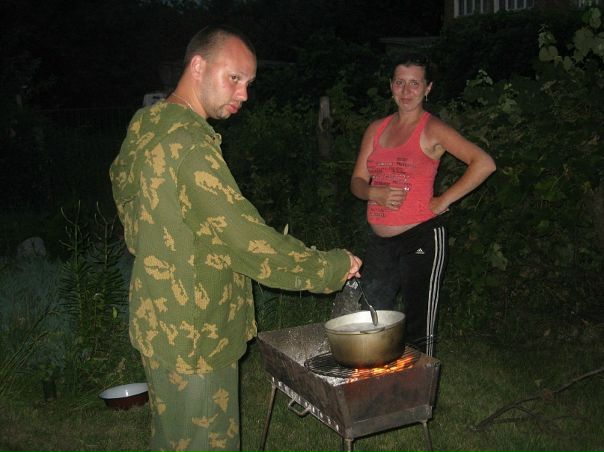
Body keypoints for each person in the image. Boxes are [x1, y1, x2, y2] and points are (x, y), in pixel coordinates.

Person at [109, 25, 362, 452]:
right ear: (197, 66)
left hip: (158, 321)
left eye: (249, 83)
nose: (244, 94)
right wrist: (332, 267)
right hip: (197, 335)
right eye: (234, 78)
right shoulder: (189, 145)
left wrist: (155, 243)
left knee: (173, 440)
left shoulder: (147, 124)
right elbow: (247, 241)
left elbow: (123, 189)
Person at [350, 52, 495, 357]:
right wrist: (374, 193)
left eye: (414, 83)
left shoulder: (432, 129)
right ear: (391, 85)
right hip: (380, 241)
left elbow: (483, 163)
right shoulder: (376, 129)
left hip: (421, 237)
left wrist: (443, 200)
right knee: (371, 318)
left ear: (428, 88)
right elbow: (357, 181)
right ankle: (376, 378)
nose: (406, 91)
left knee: (418, 328)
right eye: (400, 82)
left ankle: (416, 385)